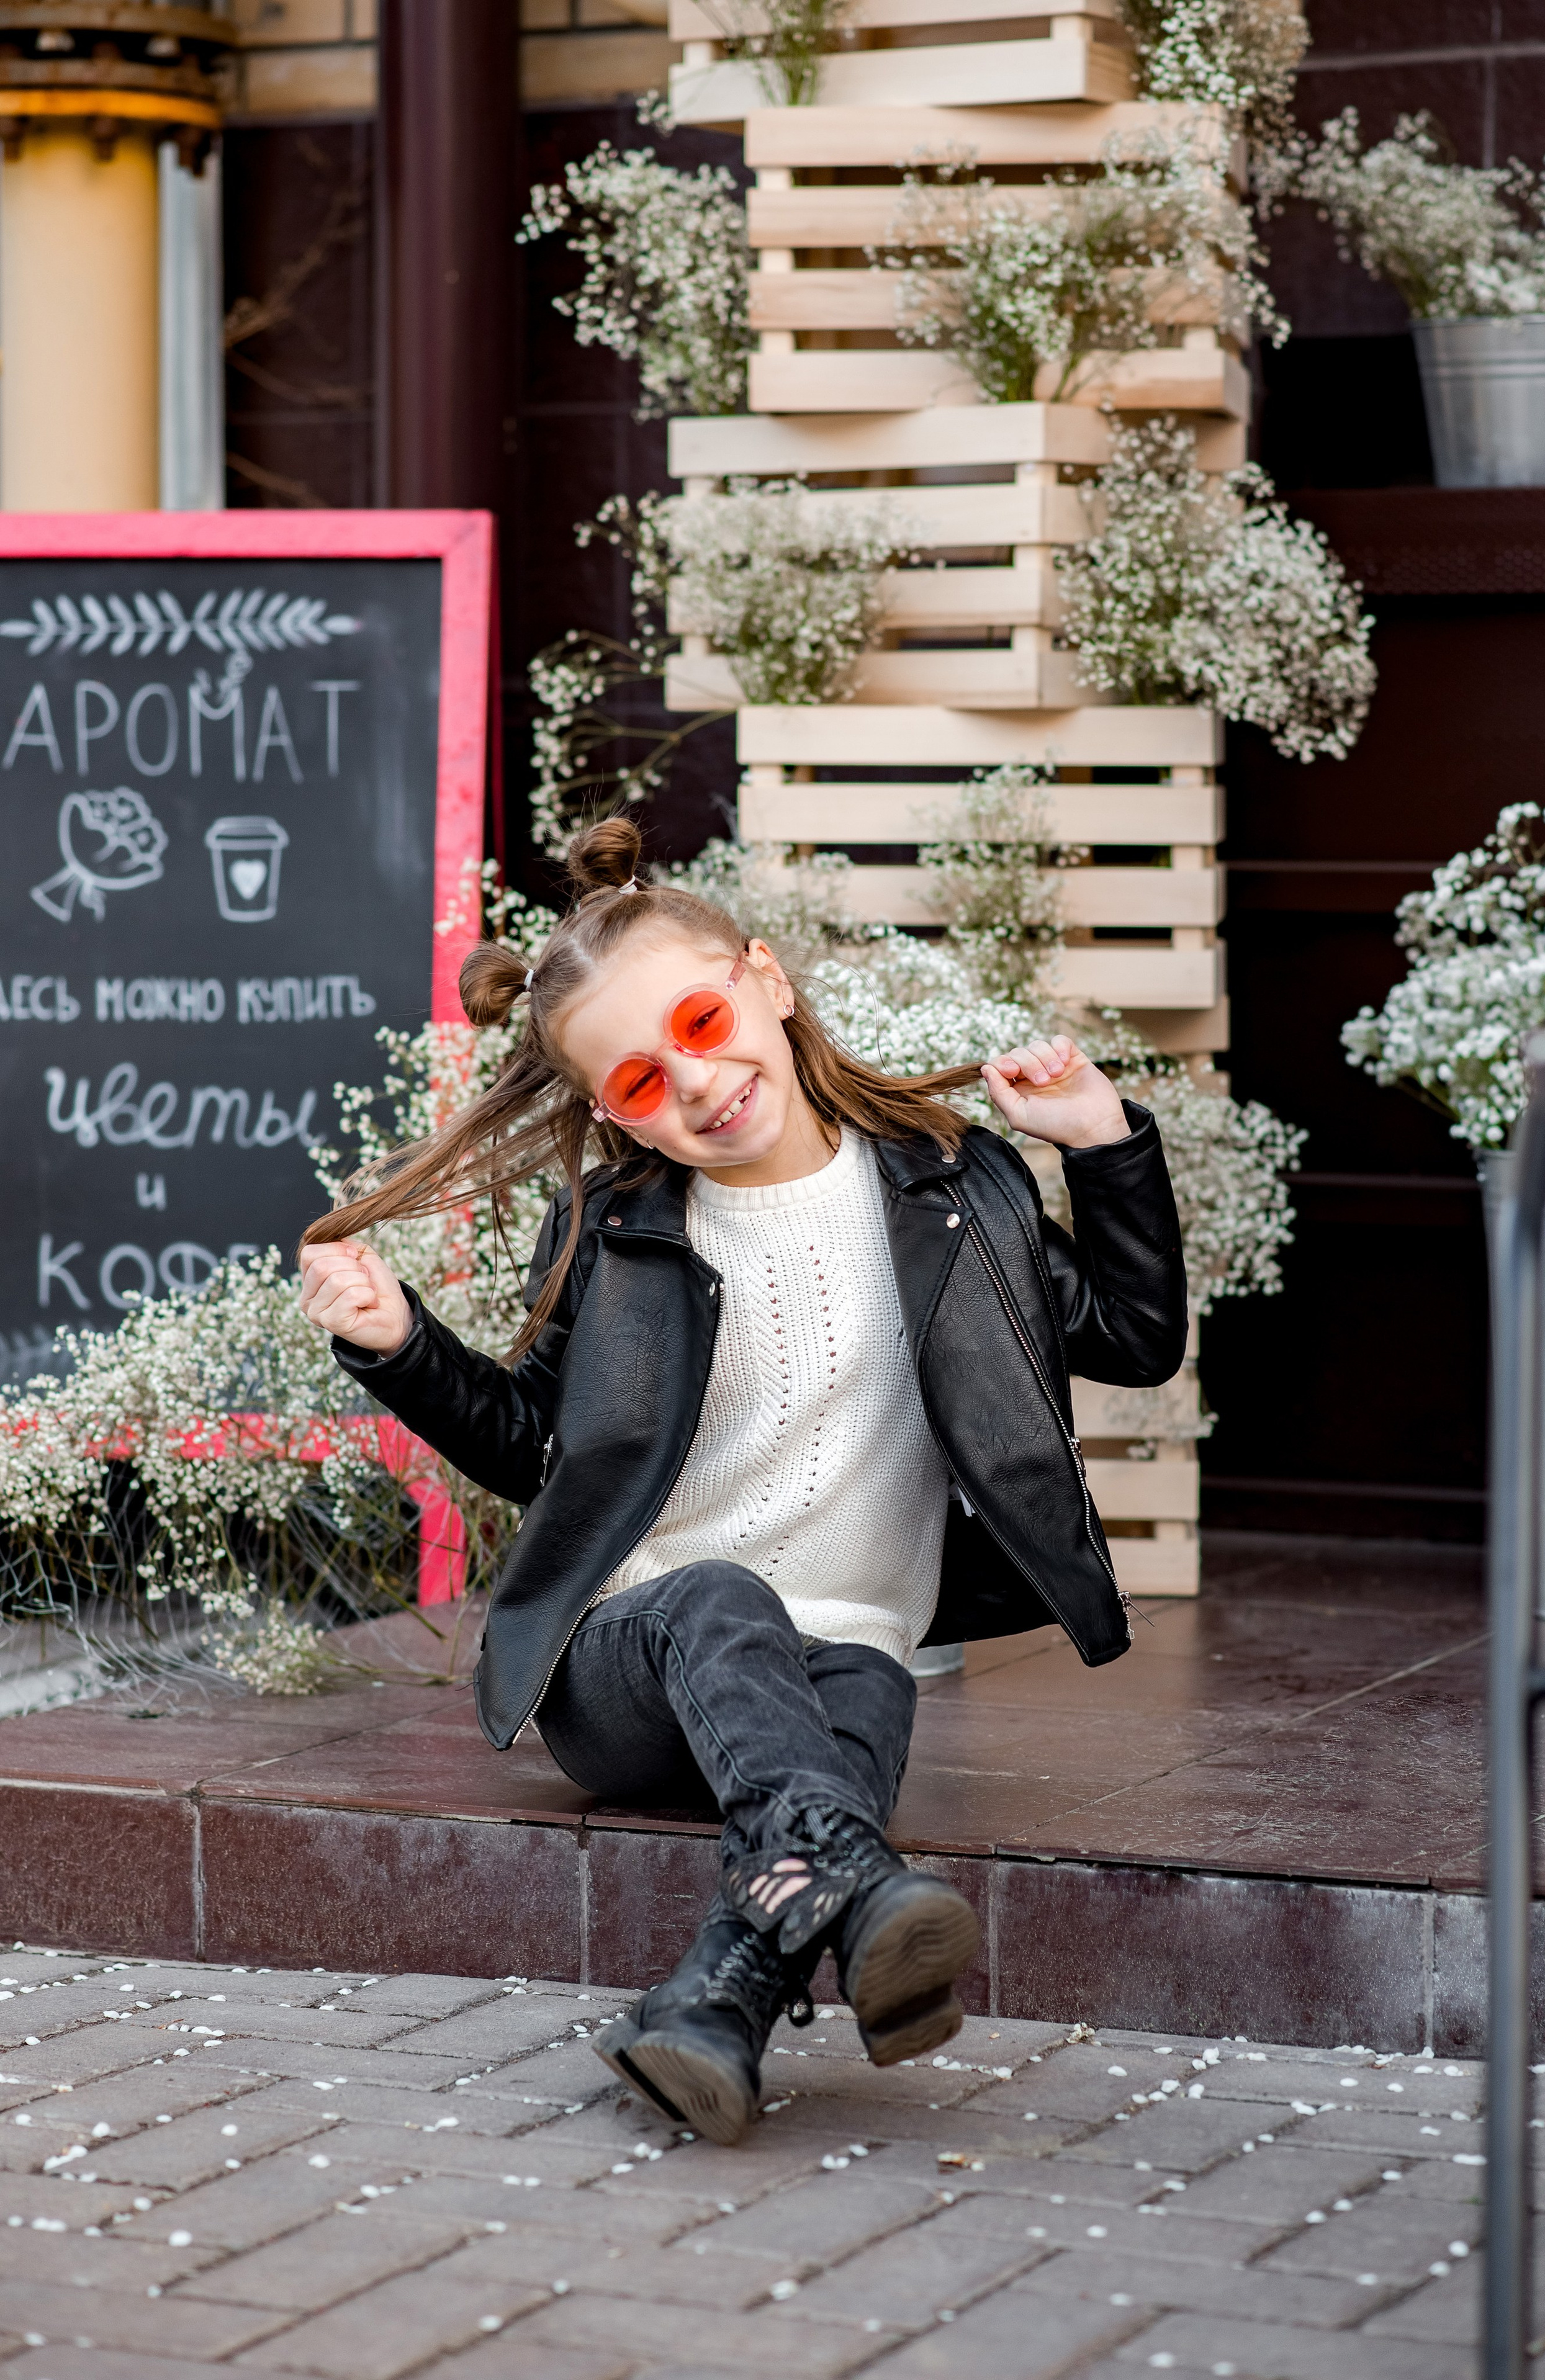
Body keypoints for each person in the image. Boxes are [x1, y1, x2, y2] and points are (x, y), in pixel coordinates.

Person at [298, 817, 1186, 2146]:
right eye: (645, 1081)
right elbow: (534, 1449)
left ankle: (708, 2014)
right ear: (611, 1112)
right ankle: (848, 1876)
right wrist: (400, 1348)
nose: (697, 1080)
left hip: (836, 1659)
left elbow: (1133, 1334)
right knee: (720, 1597)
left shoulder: (958, 1190)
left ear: (766, 980)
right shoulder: (620, 1233)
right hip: (630, 1657)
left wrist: (1099, 1138)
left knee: (858, 1698)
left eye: (704, 1020)